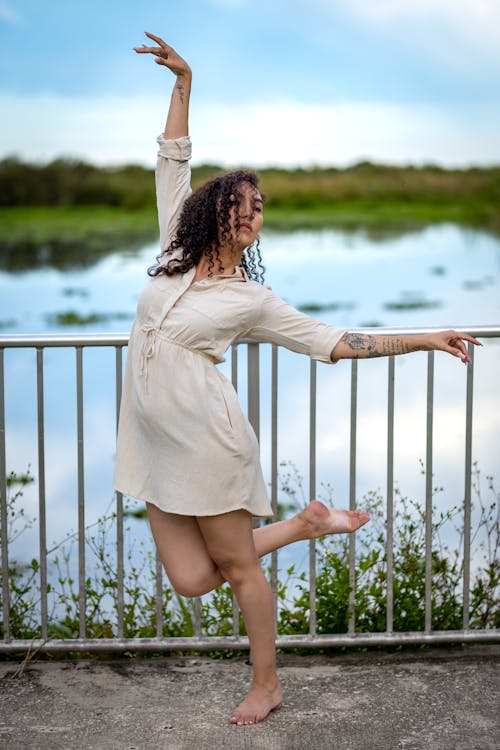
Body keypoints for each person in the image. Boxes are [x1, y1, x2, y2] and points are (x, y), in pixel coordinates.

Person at [113, 32, 481, 726]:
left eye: (261, 209)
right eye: (243, 203)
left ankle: (267, 683)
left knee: (237, 572)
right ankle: (308, 523)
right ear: (213, 207)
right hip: (150, 441)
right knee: (192, 580)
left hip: (209, 444)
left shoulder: (253, 300)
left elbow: (335, 340)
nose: (253, 214)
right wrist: (184, 83)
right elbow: (171, 159)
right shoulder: (172, 245)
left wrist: (429, 336)